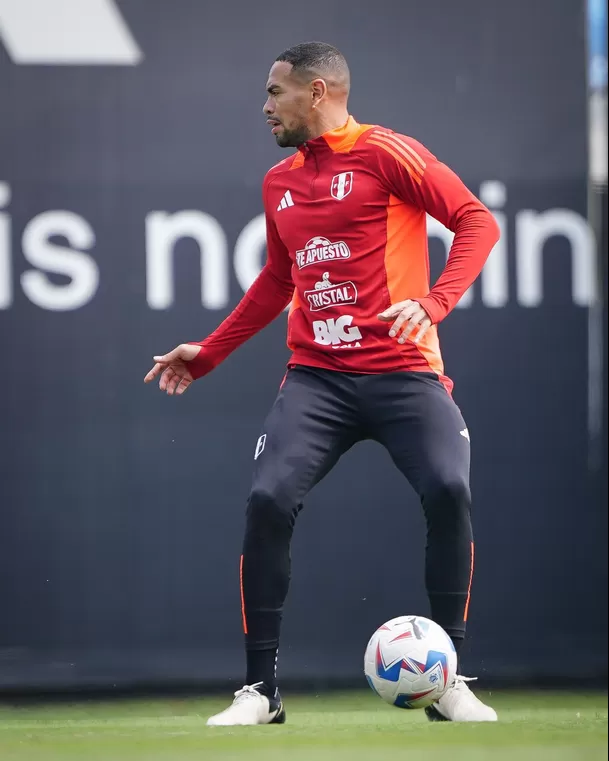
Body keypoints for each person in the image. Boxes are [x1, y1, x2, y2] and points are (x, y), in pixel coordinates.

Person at [144, 41, 500, 725]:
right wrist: (209, 352)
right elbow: (280, 279)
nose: (264, 105)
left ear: (317, 93)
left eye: (275, 92)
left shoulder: (387, 153)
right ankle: (260, 692)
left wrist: (431, 304)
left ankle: (449, 677)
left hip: (404, 373)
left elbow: (474, 221)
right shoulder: (279, 181)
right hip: (318, 380)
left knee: (449, 489)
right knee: (268, 497)